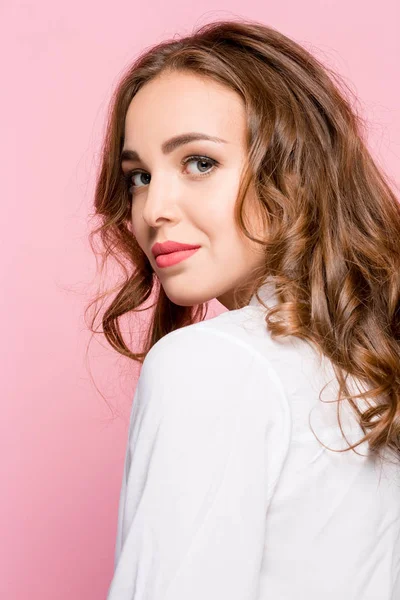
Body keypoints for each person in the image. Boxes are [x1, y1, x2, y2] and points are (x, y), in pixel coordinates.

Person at [86, 18, 400, 599]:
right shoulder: (368, 372)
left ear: (295, 173)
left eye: (199, 163)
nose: (154, 207)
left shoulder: (211, 362)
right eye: (138, 176)